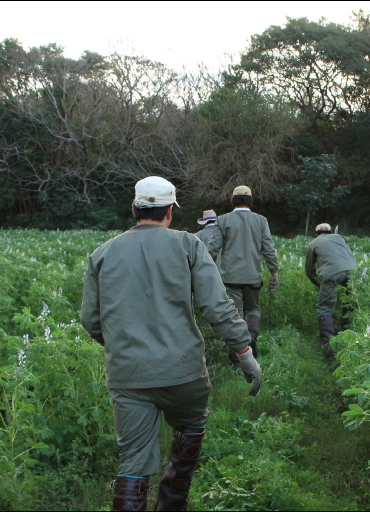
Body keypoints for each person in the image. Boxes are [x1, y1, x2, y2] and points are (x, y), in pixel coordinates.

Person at [81, 176, 262, 511]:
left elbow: (91, 321)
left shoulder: (102, 254)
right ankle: (172, 503)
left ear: (134, 208)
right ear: (170, 212)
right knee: (190, 430)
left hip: (128, 374)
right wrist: (243, 351)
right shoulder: (188, 245)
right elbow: (216, 307)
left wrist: (123, 345)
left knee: (133, 461)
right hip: (184, 373)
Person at [207, 186, 279, 361]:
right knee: (253, 309)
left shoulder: (222, 220)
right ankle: (251, 339)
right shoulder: (261, 221)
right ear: (251, 201)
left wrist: (206, 271)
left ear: (233, 201)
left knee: (235, 314)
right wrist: (274, 271)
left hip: (230, 277)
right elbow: (268, 248)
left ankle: (237, 353)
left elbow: (213, 249)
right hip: (253, 277)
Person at [304, 223, 357, 354]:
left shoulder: (313, 243)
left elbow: (309, 271)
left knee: (325, 307)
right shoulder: (340, 238)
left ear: (316, 233)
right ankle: (348, 334)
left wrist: (320, 284)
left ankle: (328, 344)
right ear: (330, 231)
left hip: (331, 273)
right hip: (353, 271)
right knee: (350, 303)